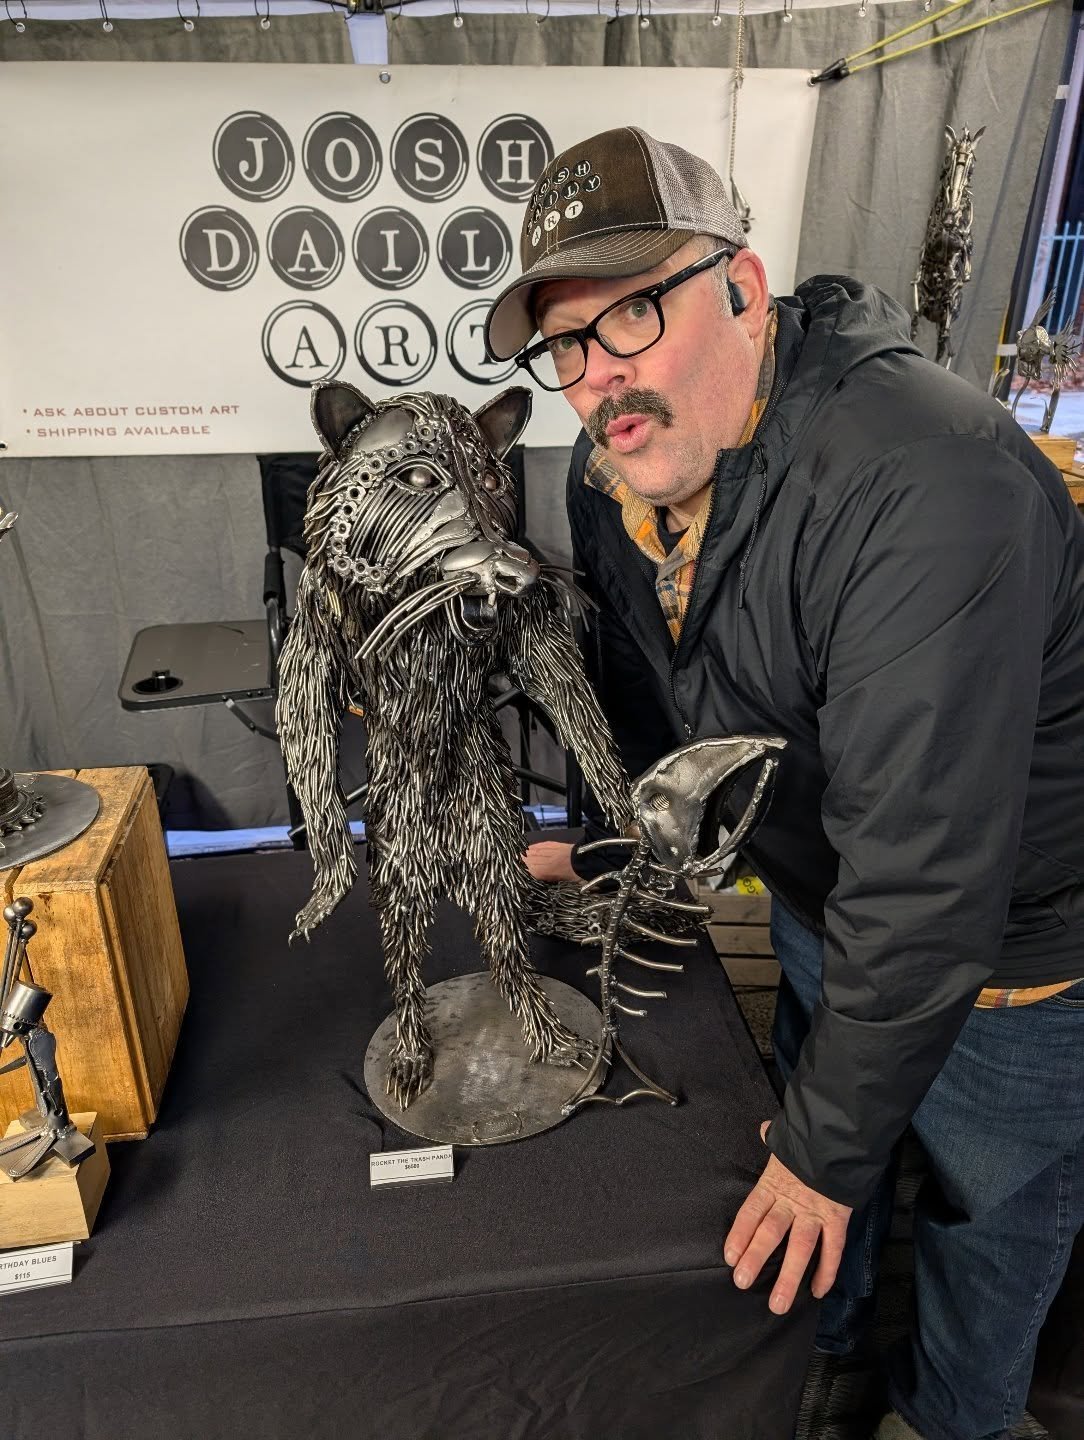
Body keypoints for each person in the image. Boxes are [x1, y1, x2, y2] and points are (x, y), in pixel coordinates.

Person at [483, 126, 1084, 1440]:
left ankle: (951, 1422)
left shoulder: (930, 481)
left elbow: (929, 879)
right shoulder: (619, 468)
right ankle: (812, 1391)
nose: (600, 380)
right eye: (567, 347)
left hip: (1020, 959)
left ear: (743, 289)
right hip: (827, 910)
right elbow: (649, 703)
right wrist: (615, 847)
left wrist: (825, 1145)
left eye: (632, 313)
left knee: (983, 1239)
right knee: (822, 1200)